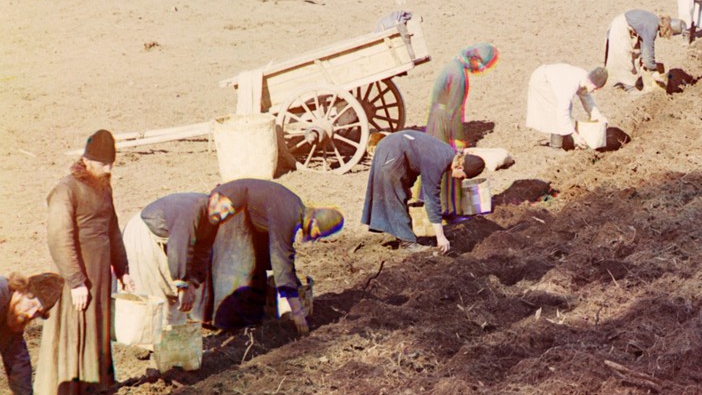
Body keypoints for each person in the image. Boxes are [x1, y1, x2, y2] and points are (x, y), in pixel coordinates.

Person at [36, 130, 130, 395]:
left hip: (100, 270)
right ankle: (68, 391)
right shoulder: (66, 190)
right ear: (86, 161)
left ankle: (97, 384)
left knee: (97, 323)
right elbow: (58, 236)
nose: (108, 169)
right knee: (76, 324)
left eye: (112, 163)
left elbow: (112, 229)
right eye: (102, 164)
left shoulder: (104, 187)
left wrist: (122, 269)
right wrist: (75, 281)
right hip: (77, 271)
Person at [201, 180, 343, 334]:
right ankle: (228, 323)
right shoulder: (288, 214)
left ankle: (250, 316)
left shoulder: (296, 209)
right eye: (319, 234)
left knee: (257, 261)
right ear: (315, 222)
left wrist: (291, 282)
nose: (316, 238)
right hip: (230, 203)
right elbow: (280, 257)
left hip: (242, 206)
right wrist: (297, 312)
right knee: (240, 263)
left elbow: (284, 255)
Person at [122, 190, 237, 333]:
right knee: (153, 294)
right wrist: (182, 285)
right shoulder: (192, 209)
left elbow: (203, 251)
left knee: (173, 296)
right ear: (214, 199)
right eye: (224, 209)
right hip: (145, 233)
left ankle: (171, 340)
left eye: (230, 212)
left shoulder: (213, 217)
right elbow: (180, 244)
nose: (225, 215)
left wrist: (193, 282)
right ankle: (146, 343)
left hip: (166, 242)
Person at [362, 131, 484, 254]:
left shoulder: (448, 153)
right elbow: (431, 198)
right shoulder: (438, 161)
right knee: (395, 196)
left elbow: (416, 161)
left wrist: (407, 186)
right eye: (463, 176)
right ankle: (407, 243)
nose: (460, 179)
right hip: (393, 151)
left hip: (392, 144)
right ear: (460, 167)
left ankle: (401, 234)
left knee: (399, 193)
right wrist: (440, 237)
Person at [1, 273, 61, 395]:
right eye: (32, 304)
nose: (31, 314)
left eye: (38, 313)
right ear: (22, 290)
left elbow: (18, 363)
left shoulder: (12, 318)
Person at [424, 43, 499, 148]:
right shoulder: (459, 75)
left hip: (436, 117)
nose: (480, 69)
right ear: (474, 59)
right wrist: (459, 140)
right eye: (481, 65)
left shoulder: (454, 65)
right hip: (442, 123)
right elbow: (454, 111)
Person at [525, 64, 608, 150]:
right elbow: (562, 112)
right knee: (557, 109)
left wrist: (597, 116)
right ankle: (556, 145)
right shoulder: (569, 84)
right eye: (595, 88)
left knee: (562, 110)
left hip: (552, 78)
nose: (595, 91)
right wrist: (575, 136)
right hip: (542, 80)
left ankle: (564, 137)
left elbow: (586, 98)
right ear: (590, 81)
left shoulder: (585, 80)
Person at [604, 9, 684, 89]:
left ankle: (625, 82)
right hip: (621, 26)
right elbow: (648, 50)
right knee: (625, 56)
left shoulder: (653, 21)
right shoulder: (652, 26)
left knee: (635, 54)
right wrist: (653, 70)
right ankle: (629, 87)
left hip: (624, 23)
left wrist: (644, 60)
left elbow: (643, 44)